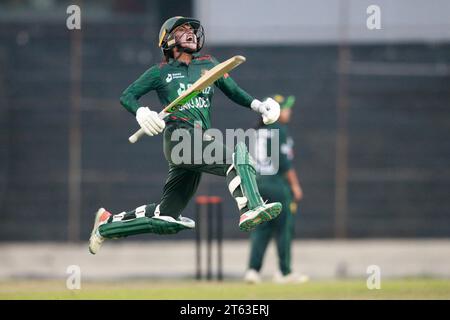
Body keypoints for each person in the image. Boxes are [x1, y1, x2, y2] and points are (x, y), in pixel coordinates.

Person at [88, 16, 283, 254]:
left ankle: (106, 225)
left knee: (166, 217)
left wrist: (259, 107)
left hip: (197, 141)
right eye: (182, 30)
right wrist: (141, 112)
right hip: (179, 138)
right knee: (238, 156)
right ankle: (251, 207)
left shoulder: (209, 64)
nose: (190, 33)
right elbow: (127, 96)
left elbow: (233, 91)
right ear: (167, 39)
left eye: (192, 30)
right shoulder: (160, 72)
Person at [244, 94, 308, 284]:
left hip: (258, 185)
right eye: (285, 108)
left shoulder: (257, 129)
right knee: (283, 228)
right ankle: (284, 272)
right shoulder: (279, 129)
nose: (289, 111)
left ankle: (252, 271)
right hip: (277, 185)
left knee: (261, 228)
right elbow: (285, 164)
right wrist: (295, 186)